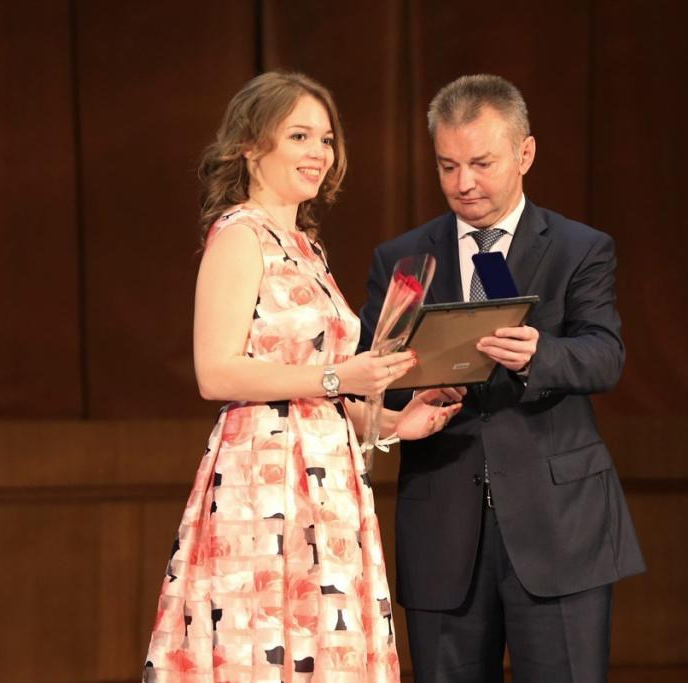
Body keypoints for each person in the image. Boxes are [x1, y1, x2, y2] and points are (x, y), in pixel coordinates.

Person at [143, 71, 462, 683]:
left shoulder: (305, 247)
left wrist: (396, 423)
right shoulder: (241, 236)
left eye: (326, 139)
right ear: (249, 145)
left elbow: (318, 392)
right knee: (264, 645)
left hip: (326, 480)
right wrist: (344, 374)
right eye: (299, 136)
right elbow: (216, 372)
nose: (319, 152)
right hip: (264, 483)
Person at [358, 74, 646, 683]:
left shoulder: (578, 248)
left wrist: (542, 354)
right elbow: (370, 374)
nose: (463, 183)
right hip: (442, 526)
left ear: (525, 153)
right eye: (448, 165)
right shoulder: (402, 258)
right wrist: (411, 391)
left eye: (481, 164)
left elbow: (605, 355)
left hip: (558, 524)